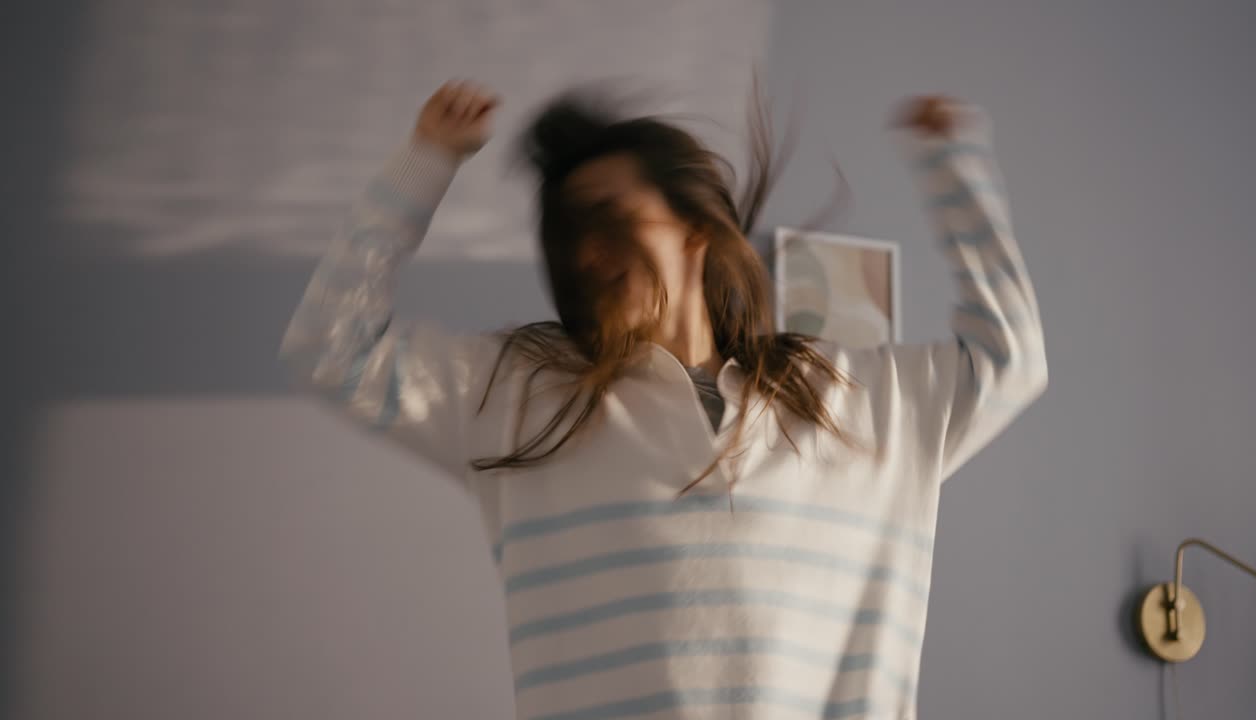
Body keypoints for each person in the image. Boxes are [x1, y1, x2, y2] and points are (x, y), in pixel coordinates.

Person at [280, 79, 1047, 720]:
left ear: (696, 228)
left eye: (610, 220)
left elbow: (1011, 359)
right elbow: (329, 347)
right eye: (569, 234)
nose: (588, 252)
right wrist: (425, 162)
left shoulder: (857, 399)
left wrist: (955, 171)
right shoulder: (517, 397)